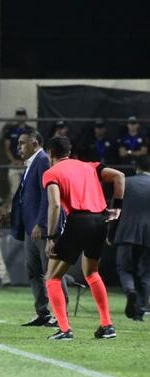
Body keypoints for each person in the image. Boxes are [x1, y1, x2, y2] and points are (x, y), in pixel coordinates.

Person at [42, 135, 125, 340]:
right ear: (69, 152)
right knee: (91, 273)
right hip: (100, 220)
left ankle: (64, 329)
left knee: (52, 278)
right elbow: (119, 176)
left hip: (78, 221)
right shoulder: (90, 166)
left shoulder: (51, 173)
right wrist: (117, 209)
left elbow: (54, 205)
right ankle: (107, 325)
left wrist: (51, 237)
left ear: (50, 153)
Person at [9, 129, 60, 327]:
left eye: (22, 143)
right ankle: (43, 312)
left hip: (42, 228)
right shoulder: (32, 163)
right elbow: (27, 197)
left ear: (35, 143)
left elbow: (48, 196)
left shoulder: (43, 161)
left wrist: (42, 223)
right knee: (34, 272)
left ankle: (60, 313)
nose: (18, 147)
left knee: (52, 272)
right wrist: (13, 216)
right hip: (31, 227)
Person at [112, 155, 150, 322]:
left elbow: (115, 210)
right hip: (148, 235)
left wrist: (110, 234)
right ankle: (140, 311)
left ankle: (130, 291)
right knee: (146, 274)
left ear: (136, 167)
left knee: (125, 268)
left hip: (126, 233)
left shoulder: (125, 182)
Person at [2, 107, 33, 201]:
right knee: (14, 191)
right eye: (18, 115)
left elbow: (34, 148)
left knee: (28, 191)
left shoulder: (30, 130)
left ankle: (26, 213)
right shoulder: (10, 130)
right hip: (13, 164)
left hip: (27, 164)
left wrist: (25, 161)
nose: (20, 117)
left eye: (22, 114)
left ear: (26, 116)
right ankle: (13, 213)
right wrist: (14, 160)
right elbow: (6, 147)